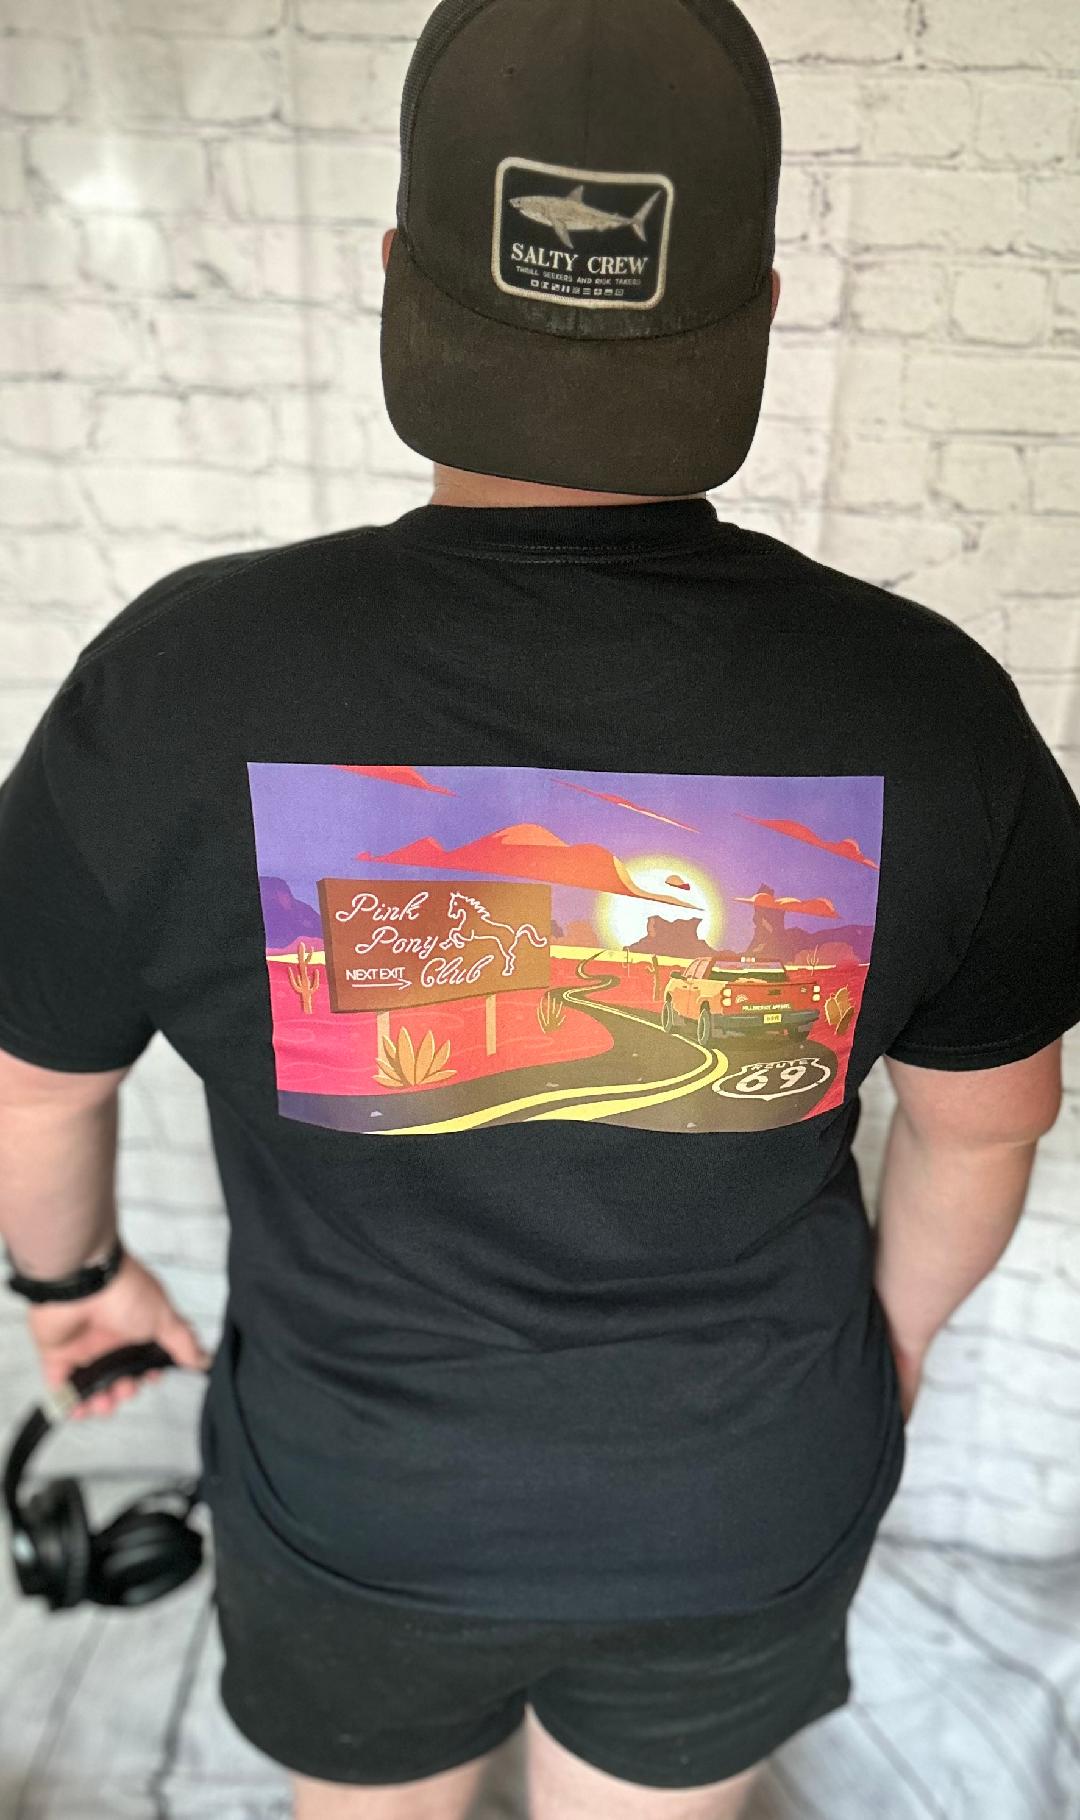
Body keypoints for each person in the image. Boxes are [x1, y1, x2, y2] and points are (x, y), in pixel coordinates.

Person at [2, 2, 1079, 1817]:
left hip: (355, 1504)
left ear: (395, 278)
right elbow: (990, 1120)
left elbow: (35, 1086)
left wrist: (74, 1282)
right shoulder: (933, 711)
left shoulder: (175, 682)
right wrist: (880, 1351)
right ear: (756, 311)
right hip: (741, 1497)